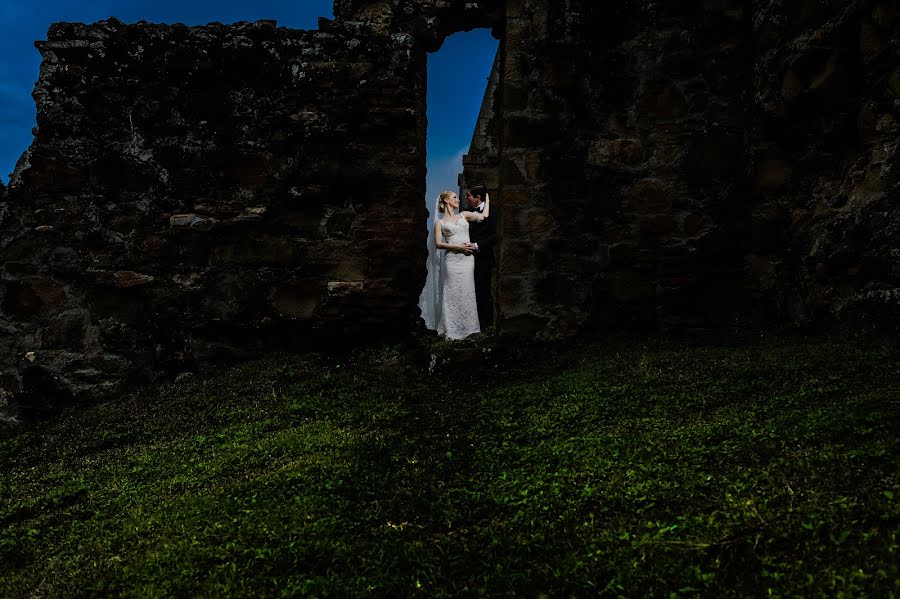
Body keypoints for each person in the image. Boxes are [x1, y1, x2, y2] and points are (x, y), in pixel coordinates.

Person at [418, 190, 490, 340]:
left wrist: (487, 199)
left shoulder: (464, 215)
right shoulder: (440, 223)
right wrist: (457, 247)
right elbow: (438, 244)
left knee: (467, 290)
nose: (458, 200)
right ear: (446, 201)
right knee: (452, 291)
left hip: (467, 260)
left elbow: (484, 216)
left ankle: (470, 328)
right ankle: (452, 329)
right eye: (454, 197)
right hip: (452, 260)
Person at [465, 185, 495, 329]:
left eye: (469, 195)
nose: (466, 198)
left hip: (483, 257)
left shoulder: (492, 212)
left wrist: (477, 246)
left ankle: (485, 325)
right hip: (466, 258)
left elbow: (494, 235)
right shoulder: (467, 213)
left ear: (478, 198)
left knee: (483, 290)